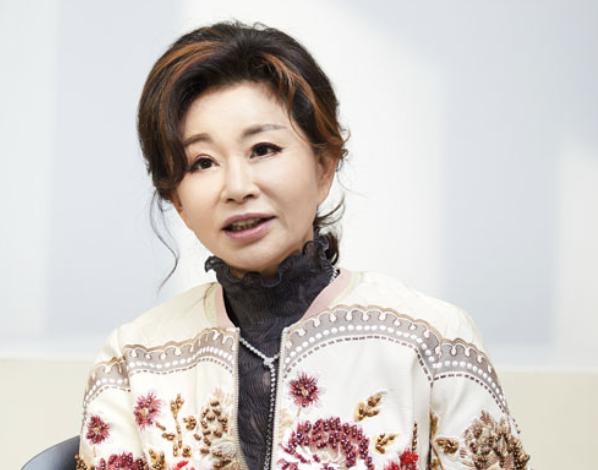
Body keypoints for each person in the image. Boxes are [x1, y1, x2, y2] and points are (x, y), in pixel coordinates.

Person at [76, 22, 531, 470]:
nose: (237, 187)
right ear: (178, 201)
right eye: (202, 162)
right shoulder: (133, 361)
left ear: (323, 166)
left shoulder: (433, 342)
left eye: (263, 149)